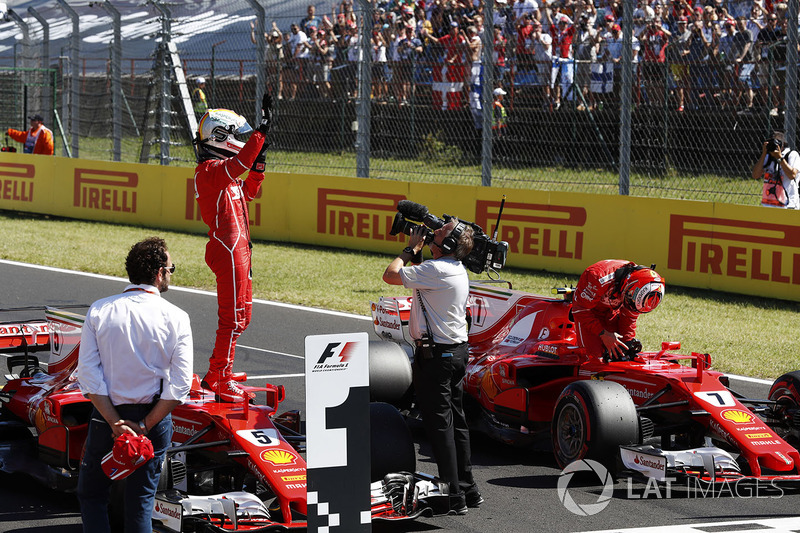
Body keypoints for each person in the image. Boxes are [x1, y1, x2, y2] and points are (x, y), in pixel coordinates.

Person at [76, 237, 193, 533]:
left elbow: (88, 376)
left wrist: (115, 422)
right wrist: (144, 425)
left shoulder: (100, 310)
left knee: (92, 495)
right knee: (141, 499)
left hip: (107, 418)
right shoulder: (177, 318)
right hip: (153, 419)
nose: (170, 274)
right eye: (171, 268)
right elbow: (180, 386)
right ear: (158, 273)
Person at [382, 218, 482, 515]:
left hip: (437, 358)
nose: (435, 232)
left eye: (440, 233)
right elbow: (422, 281)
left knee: (440, 428)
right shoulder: (452, 268)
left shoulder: (436, 270)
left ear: (449, 245)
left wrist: (410, 248)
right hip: (455, 353)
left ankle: (453, 498)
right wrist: (422, 251)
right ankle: (468, 489)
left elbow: (390, 275)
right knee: (457, 423)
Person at [193, 93, 273, 402]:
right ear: (220, 137)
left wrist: (260, 160)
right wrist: (260, 135)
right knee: (233, 318)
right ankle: (219, 376)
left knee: (242, 316)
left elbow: (250, 190)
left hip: (237, 249)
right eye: (236, 135)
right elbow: (240, 163)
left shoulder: (222, 173)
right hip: (228, 250)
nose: (241, 140)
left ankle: (220, 371)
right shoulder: (211, 171)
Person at [572, 260, 665, 361]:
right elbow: (580, 310)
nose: (631, 304)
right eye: (630, 299)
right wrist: (602, 333)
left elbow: (629, 317)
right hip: (589, 311)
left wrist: (628, 343)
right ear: (627, 284)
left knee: (619, 353)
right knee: (593, 358)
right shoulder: (598, 277)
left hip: (611, 310)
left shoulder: (639, 291)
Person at [751, 131, 800, 209]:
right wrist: (764, 153)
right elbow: (755, 175)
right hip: (769, 205)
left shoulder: (792, 155)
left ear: (782, 144)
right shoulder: (768, 157)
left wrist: (779, 158)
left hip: (788, 205)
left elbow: (792, 175)